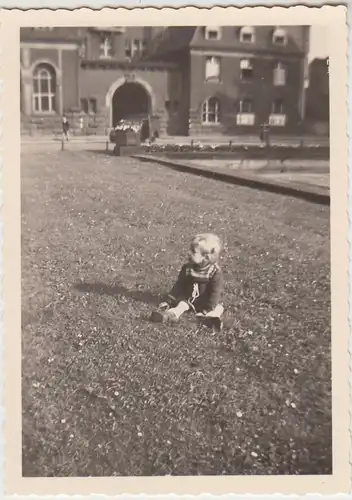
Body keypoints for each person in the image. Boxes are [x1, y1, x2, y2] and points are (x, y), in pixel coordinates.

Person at [150, 233, 225, 331]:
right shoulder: (188, 268)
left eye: (193, 251)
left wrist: (209, 307)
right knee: (181, 305)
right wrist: (169, 299)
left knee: (219, 307)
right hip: (189, 299)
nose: (189, 253)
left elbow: (215, 292)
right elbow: (179, 284)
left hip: (205, 301)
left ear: (206, 257)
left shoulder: (214, 272)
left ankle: (212, 319)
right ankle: (170, 315)